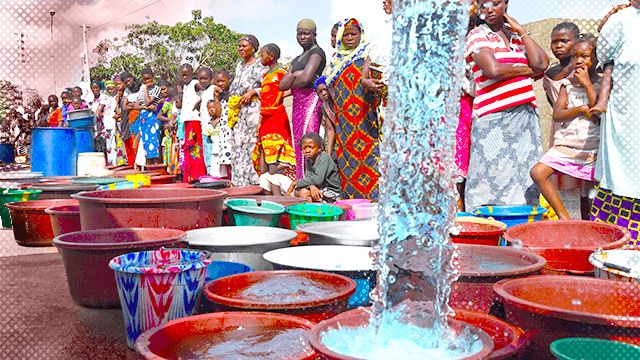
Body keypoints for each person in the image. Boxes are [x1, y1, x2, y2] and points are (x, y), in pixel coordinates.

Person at [464, 0, 549, 210]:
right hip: (494, 117)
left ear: (506, 3)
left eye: (496, 3)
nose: (490, 9)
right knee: (489, 177)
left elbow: (542, 63)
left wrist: (521, 31)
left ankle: (518, 229)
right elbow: (493, 70)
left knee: (523, 177)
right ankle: (487, 229)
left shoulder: (516, 36)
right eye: (484, 4)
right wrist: (528, 70)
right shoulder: (477, 36)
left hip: (525, 118)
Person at [531, 36, 600, 220]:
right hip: (567, 147)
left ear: (597, 57)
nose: (578, 61)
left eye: (584, 56)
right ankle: (564, 217)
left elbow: (598, 112)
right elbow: (557, 114)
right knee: (538, 172)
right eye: (575, 56)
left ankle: (589, 226)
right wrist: (579, 109)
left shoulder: (602, 84)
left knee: (589, 196)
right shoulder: (566, 85)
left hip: (594, 149)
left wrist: (586, 84)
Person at [589, 0, 640, 243]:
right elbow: (605, 58)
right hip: (628, 116)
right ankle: (622, 241)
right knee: (625, 177)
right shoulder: (621, 21)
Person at [324, 18, 384, 200]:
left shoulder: (368, 53)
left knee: (370, 157)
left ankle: (373, 202)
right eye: (346, 34)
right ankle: (352, 203)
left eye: (353, 34)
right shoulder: (335, 61)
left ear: (361, 35)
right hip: (345, 121)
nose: (350, 37)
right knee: (348, 159)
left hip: (366, 116)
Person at [279, 19, 327, 180]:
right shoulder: (297, 59)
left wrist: (299, 78)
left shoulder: (317, 53)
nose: (302, 37)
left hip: (311, 99)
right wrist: (295, 74)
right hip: (298, 102)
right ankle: (302, 181)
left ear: (314, 35)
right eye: (299, 33)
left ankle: (315, 182)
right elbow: (282, 85)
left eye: (306, 33)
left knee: (310, 140)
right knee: (299, 142)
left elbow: (306, 79)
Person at [252, 43, 297, 194]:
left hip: (277, 116)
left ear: (271, 56)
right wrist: (259, 122)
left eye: (262, 54)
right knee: (264, 151)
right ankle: (267, 188)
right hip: (265, 118)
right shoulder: (265, 76)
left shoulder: (282, 72)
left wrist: (279, 97)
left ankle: (278, 189)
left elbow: (293, 88)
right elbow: (263, 100)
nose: (260, 57)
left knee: (277, 150)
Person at [228, 35, 268, 186]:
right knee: (237, 145)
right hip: (238, 112)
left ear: (254, 48)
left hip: (253, 110)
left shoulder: (260, 65)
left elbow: (268, 86)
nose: (241, 49)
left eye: (244, 46)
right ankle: (239, 183)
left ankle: (254, 184)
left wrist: (254, 92)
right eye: (239, 46)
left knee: (251, 145)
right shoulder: (239, 65)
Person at [286, 132, 341, 202]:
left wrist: (295, 183)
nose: (307, 151)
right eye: (304, 148)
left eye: (311, 147)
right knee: (297, 192)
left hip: (331, 191)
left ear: (320, 148)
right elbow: (309, 178)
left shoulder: (324, 158)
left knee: (304, 193)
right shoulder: (309, 159)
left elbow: (318, 179)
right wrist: (311, 186)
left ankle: (311, 210)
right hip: (319, 187)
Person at [132, 67, 161, 169]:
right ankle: (149, 169)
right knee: (145, 143)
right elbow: (136, 106)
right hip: (143, 117)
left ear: (152, 77)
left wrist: (145, 90)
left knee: (154, 142)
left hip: (152, 118)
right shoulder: (142, 88)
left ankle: (157, 168)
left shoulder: (156, 89)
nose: (147, 81)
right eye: (145, 80)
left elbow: (149, 101)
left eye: (148, 78)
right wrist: (145, 107)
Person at [203, 99, 232, 179]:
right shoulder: (208, 124)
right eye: (209, 108)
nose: (211, 109)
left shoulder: (222, 122)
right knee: (215, 172)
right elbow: (208, 141)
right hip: (214, 151)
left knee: (224, 171)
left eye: (213, 107)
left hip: (222, 149)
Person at [102, 80, 127, 167]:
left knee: (117, 145)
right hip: (108, 125)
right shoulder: (106, 99)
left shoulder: (117, 98)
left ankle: (119, 164)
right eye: (108, 89)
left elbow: (118, 110)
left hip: (116, 124)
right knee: (109, 146)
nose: (110, 91)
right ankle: (112, 163)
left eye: (112, 89)